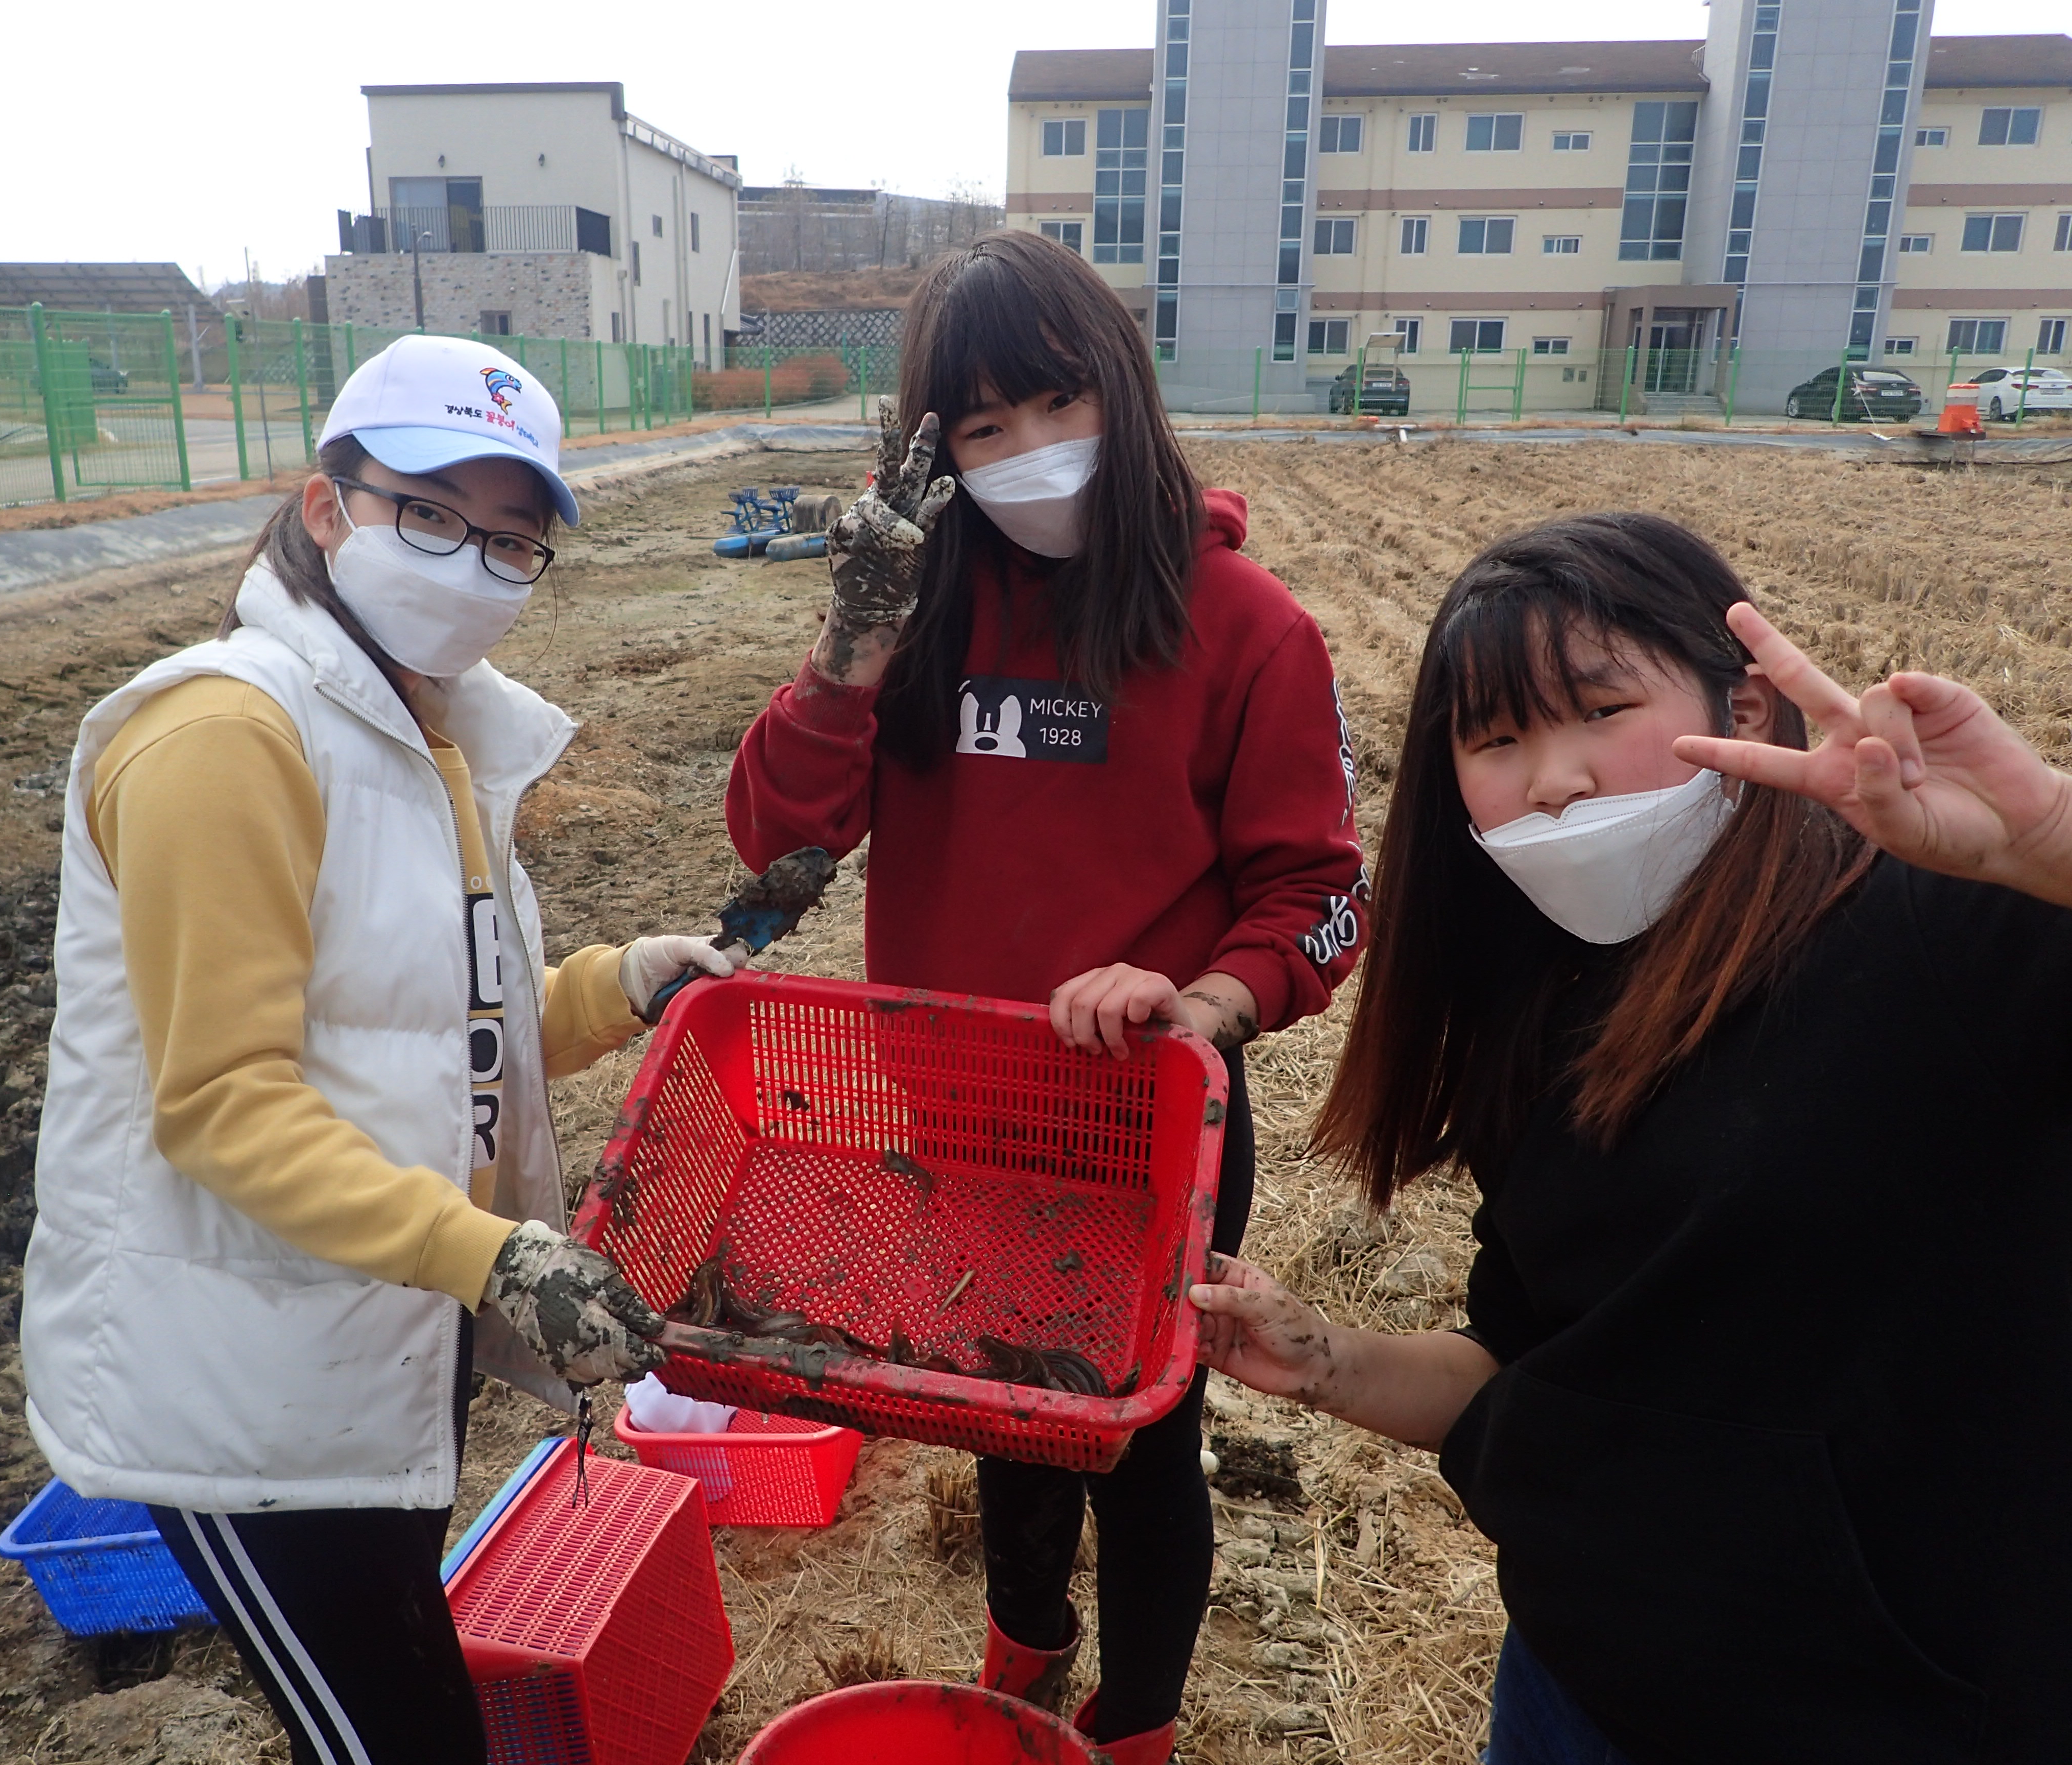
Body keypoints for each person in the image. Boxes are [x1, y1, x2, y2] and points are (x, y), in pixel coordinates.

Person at [1187, 512, 2072, 1765]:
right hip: (1575, 1683)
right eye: (1496, 739)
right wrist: (1323, 1355)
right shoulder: (1530, 1009)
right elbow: (1527, 1361)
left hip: (1896, 1712)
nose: (1552, 778)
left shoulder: (1948, 934)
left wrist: (2047, 847)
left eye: (1599, 709)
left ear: (1749, 708)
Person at [22, 335, 729, 1764]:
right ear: (329, 503)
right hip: (243, 1385)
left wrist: (618, 983)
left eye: (513, 541)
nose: (471, 563)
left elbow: (432, 1022)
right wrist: (493, 1256)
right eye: (432, 515)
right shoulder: (227, 733)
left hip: (363, 1344)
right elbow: (223, 1104)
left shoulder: (419, 733)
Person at [725, 231, 1369, 1763]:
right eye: (982, 429)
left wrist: (1206, 996)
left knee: (1145, 1444)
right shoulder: (927, 618)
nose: (1029, 454)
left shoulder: (1250, 629)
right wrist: (849, 646)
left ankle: (1135, 1724)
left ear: (1123, 396)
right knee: (999, 1403)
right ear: (933, 454)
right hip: (960, 1108)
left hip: (1154, 1119)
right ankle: (1024, 1642)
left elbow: (1323, 895)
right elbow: (780, 841)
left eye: (1057, 405)